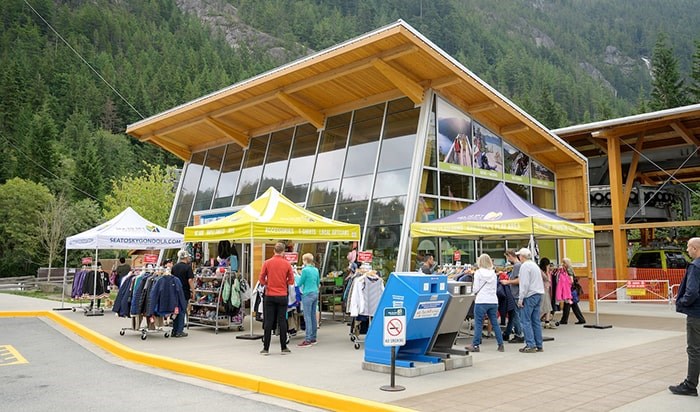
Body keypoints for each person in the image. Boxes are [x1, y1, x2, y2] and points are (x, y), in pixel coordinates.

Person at [668, 237, 700, 396]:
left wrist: (682, 301)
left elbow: (692, 291)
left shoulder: (695, 266)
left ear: (695, 248)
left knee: (694, 349)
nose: (687, 250)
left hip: (696, 313)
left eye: (688, 247)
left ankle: (690, 385)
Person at [259, 241, 295, 355]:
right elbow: (291, 281)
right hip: (282, 295)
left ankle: (266, 348)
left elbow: (261, 279)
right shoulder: (287, 264)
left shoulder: (267, 263)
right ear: (283, 252)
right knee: (282, 321)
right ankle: (284, 347)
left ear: (274, 251)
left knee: (268, 321)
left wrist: (267, 283)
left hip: (269, 295)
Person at [465, 254, 504, 353]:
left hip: (481, 300)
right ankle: (500, 344)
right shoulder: (493, 274)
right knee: (495, 323)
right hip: (493, 300)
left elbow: (476, 288)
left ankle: (475, 345)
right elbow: (495, 288)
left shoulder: (478, 273)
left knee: (478, 323)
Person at [514, 248, 544, 353]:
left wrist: (520, 299)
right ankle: (539, 344)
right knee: (536, 321)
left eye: (519, 256)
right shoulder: (534, 265)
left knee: (525, 321)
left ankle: (530, 344)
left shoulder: (524, 266)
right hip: (538, 294)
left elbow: (524, 284)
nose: (519, 257)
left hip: (529, 295)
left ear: (522, 256)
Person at [297, 253, 320, 348]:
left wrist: (299, 275)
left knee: (307, 317)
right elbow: (318, 282)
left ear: (305, 261)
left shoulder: (305, 270)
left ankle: (308, 339)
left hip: (307, 293)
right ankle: (313, 337)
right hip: (315, 292)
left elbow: (299, 283)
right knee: (313, 315)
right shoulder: (316, 270)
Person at [501, 249, 524, 343]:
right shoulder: (518, 265)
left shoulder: (517, 266)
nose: (507, 259)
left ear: (510, 255)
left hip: (516, 294)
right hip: (516, 293)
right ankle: (508, 332)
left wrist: (508, 282)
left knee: (515, 315)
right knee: (513, 315)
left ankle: (519, 334)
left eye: (507, 257)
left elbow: (519, 280)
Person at [170, 250, 194, 338]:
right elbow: (190, 280)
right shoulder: (188, 268)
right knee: (182, 311)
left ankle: (174, 330)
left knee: (176, 310)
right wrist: (193, 291)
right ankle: (179, 331)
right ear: (186, 257)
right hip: (184, 292)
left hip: (175, 292)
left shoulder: (174, 267)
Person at [558, 258, 586, 325]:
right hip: (571, 290)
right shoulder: (569, 269)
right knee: (572, 305)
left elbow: (571, 280)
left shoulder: (569, 269)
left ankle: (564, 320)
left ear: (566, 263)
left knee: (568, 305)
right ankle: (580, 319)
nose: (562, 264)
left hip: (569, 290)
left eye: (563, 262)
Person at [538, 257, 556, 329]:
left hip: (546, 290)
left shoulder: (545, 272)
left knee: (548, 307)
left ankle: (547, 322)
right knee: (542, 307)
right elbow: (548, 279)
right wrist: (548, 271)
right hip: (542, 291)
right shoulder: (541, 272)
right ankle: (535, 320)